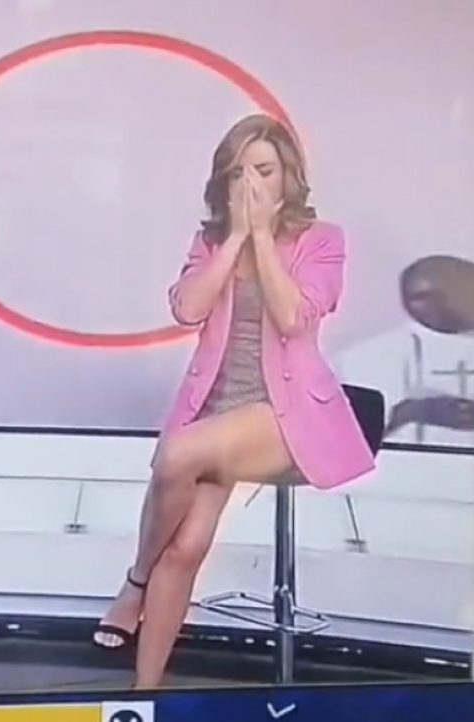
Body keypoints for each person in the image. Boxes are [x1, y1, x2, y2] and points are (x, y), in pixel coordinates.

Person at [90, 114, 375, 688]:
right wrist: (238, 238)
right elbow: (188, 308)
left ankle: (134, 583)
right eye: (238, 174)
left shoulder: (323, 240)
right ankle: (145, 694)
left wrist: (264, 237)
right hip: (216, 413)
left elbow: (294, 317)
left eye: (264, 171)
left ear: (288, 175)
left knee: (176, 455)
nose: (251, 185)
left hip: (285, 415)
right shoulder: (211, 242)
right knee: (186, 545)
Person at [331, 255, 474, 446]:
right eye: (422, 297)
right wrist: (411, 413)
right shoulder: (364, 358)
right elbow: (333, 439)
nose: (444, 303)